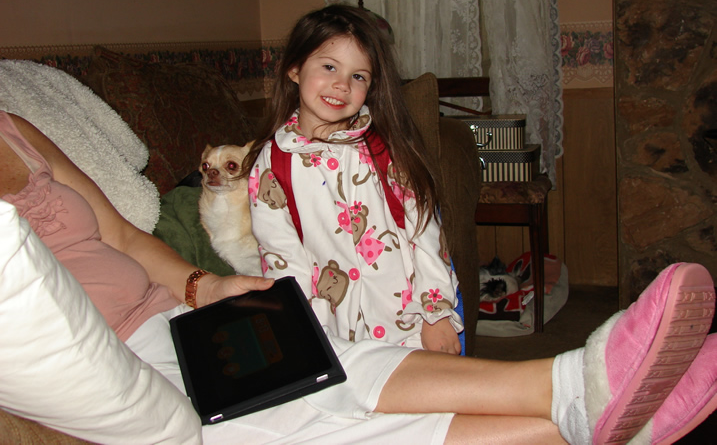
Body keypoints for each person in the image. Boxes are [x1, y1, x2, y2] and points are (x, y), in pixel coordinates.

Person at [1, 101, 715, 441]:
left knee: (329, 359)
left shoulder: (17, 128)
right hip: (100, 357)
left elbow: (123, 235)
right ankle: (580, 404)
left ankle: (576, 393)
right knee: (299, 413)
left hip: (175, 318)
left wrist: (205, 286)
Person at [244, 5, 462, 354]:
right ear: (295, 68)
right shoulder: (272, 164)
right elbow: (283, 259)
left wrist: (435, 315)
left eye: (358, 76)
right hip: (337, 336)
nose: (342, 85)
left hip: (413, 325)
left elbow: (424, 231)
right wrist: (300, 333)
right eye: (329, 67)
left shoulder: (386, 149)